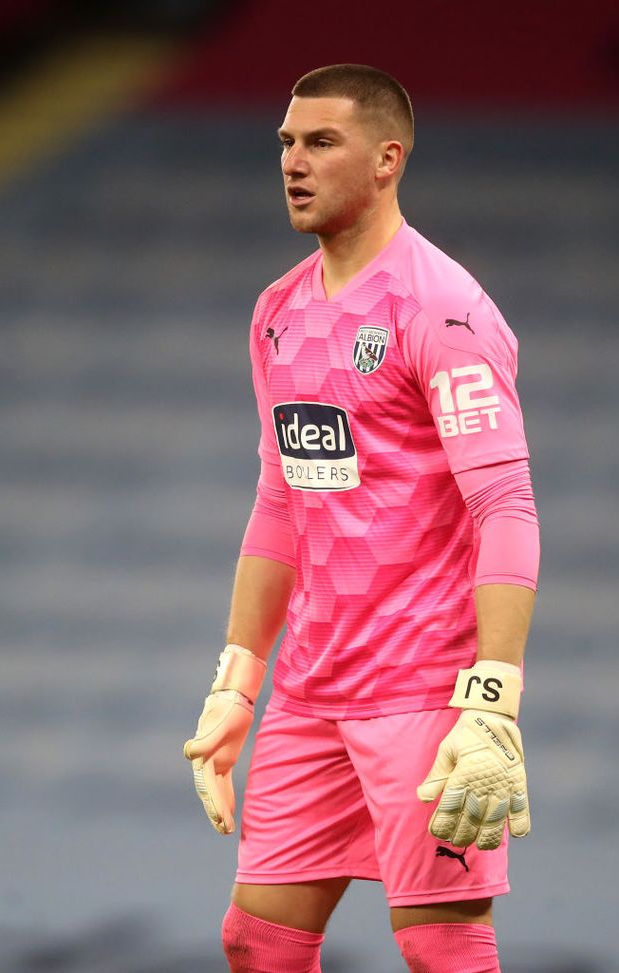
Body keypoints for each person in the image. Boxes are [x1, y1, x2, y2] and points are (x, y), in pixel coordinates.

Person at [183, 63, 540, 973]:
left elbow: (503, 503)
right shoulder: (277, 313)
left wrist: (493, 702)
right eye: (286, 144)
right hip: (311, 693)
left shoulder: (444, 310)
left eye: (320, 142)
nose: (293, 163)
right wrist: (238, 679)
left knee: (441, 952)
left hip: (424, 694)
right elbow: (279, 503)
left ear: (388, 159)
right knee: (256, 942)